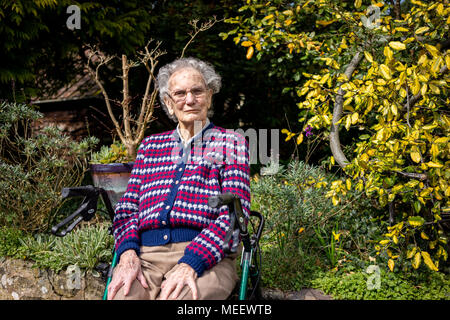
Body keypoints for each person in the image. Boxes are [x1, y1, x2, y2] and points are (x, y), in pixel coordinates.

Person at [107, 57, 251, 300]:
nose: (190, 100)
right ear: (168, 102)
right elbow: (127, 209)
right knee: (122, 296)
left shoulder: (230, 143)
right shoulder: (150, 146)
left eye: (198, 91)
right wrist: (127, 254)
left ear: (210, 96)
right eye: (180, 93)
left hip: (208, 258)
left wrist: (191, 262)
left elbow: (235, 215)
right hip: (147, 257)